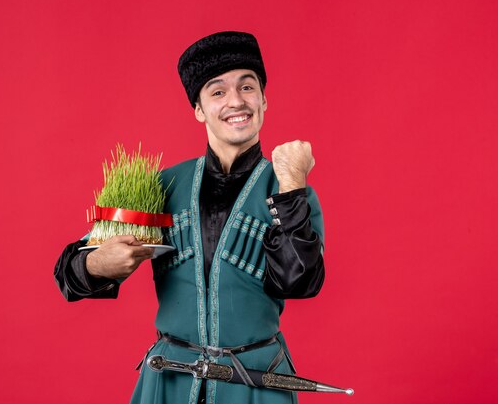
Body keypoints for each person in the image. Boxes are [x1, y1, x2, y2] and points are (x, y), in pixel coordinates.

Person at [55, 31, 325, 404]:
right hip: (169, 383)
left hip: (255, 385)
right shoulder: (161, 187)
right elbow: (68, 274)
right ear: (198, 109)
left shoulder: (290, 190)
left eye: (247, 87)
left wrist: (292, 184)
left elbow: (302, 282)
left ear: (263, 99)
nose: (235, 101)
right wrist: (99, 263)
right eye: (217, 91)